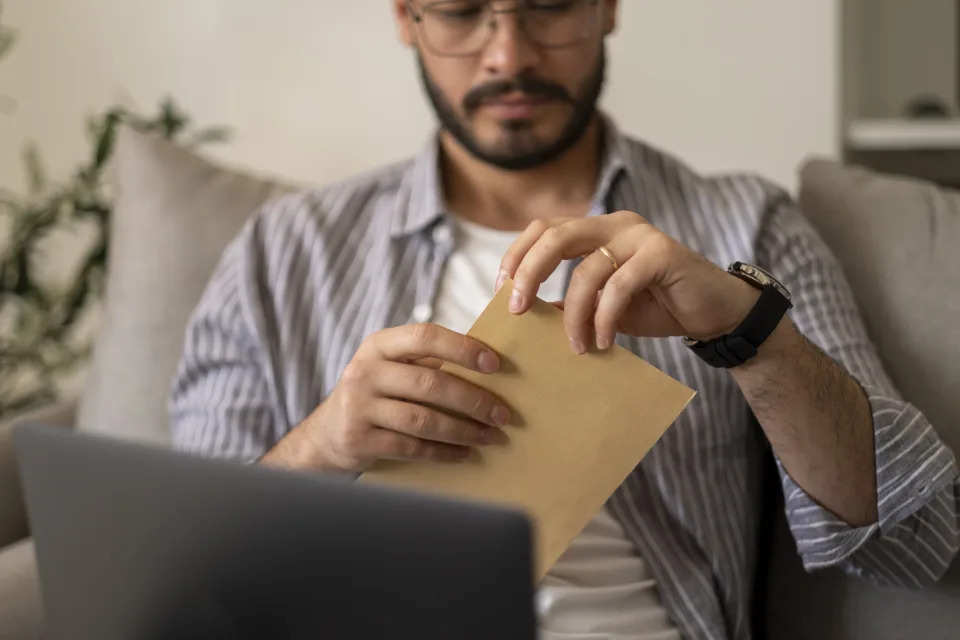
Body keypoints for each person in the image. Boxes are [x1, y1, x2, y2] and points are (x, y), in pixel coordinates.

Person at [169, 1, 960, 638]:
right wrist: (321, 446)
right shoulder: (280, 254)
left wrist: (753, 336)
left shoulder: (743, 226)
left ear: (609, 8)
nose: (509, 55)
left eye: (548, 7)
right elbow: (186, 585)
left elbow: (911, 539)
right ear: (406, 15)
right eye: (461, 11)